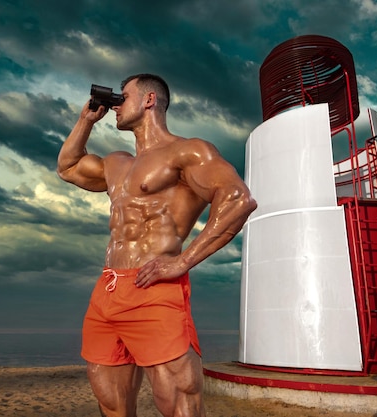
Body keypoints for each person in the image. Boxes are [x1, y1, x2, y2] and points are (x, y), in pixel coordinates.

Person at [57, 73, 257, 417]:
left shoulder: (187, 151)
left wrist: (183, 261)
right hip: (107, 291)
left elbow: (238, 199)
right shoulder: (117, 163)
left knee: (179, 405)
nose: (117, 104)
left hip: (153, 286)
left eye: (124, 96)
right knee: (111, 404)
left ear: (149, 100)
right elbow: (69, 166)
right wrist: (85, 120)